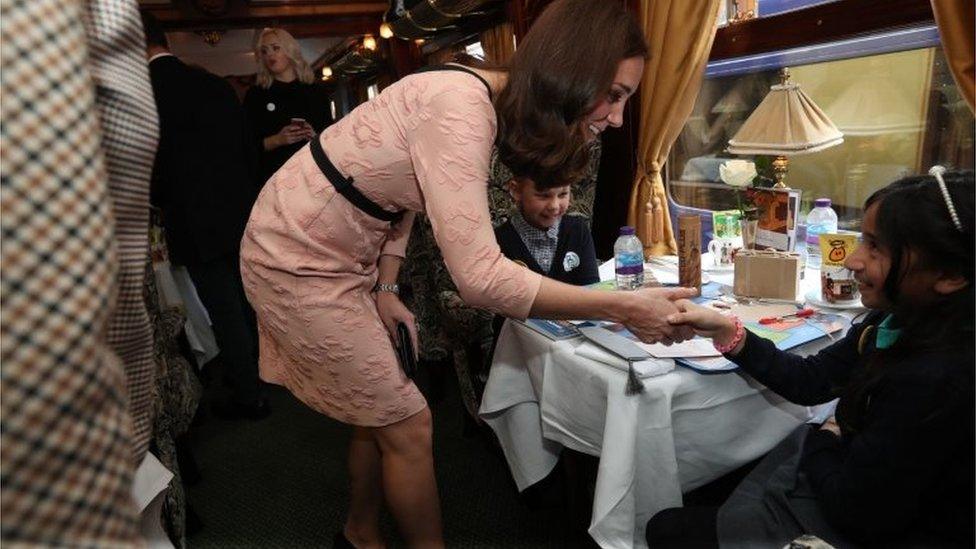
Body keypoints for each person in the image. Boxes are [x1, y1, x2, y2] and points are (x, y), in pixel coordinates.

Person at [240, 1, 695, 546]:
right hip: (294, 258)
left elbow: (399, 191)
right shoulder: (460, 107)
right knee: (409, 421)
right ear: (574, 71)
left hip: (342, 252)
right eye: (615, 96)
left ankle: (359, 532)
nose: (617, 118)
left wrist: (386, 285)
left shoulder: (477, 97)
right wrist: (623, 305)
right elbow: (479, 278)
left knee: (373, 405)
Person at [649, 169, 974, 548]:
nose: (853, 260)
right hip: (857, 485)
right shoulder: (893, 320)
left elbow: (857, 513)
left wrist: (825, 439)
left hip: (875, 526)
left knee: (668, 528)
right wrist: (725, 330)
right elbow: (812, 379)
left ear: (950, 274)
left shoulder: (936, 380)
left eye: (875, 248)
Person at [144, 13, 268, 419]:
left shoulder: (142, 94)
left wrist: (159, 201)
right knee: (248, 299)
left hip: (193, 219)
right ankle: (263, 375)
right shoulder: (213, 84)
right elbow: (247, 148)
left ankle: (249, 396)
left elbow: (148, 166)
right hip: (238, 208)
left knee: (223, 307)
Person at [243, 28, 332, 185]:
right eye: (264, 51)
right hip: (272, 180)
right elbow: (244, 146)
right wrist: (277, 140)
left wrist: (315, 137)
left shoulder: (315, 91)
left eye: (275, 48)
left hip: (313, 177)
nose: (269, 55)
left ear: (290, 50)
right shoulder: (256, 95)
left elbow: (331, 140)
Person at [496, 175, 600, 286]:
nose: (554, 206)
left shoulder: (578, 230)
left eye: (562, 194)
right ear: (516, 191)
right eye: (543, 195)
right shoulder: (497, 242)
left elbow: (591, 288)